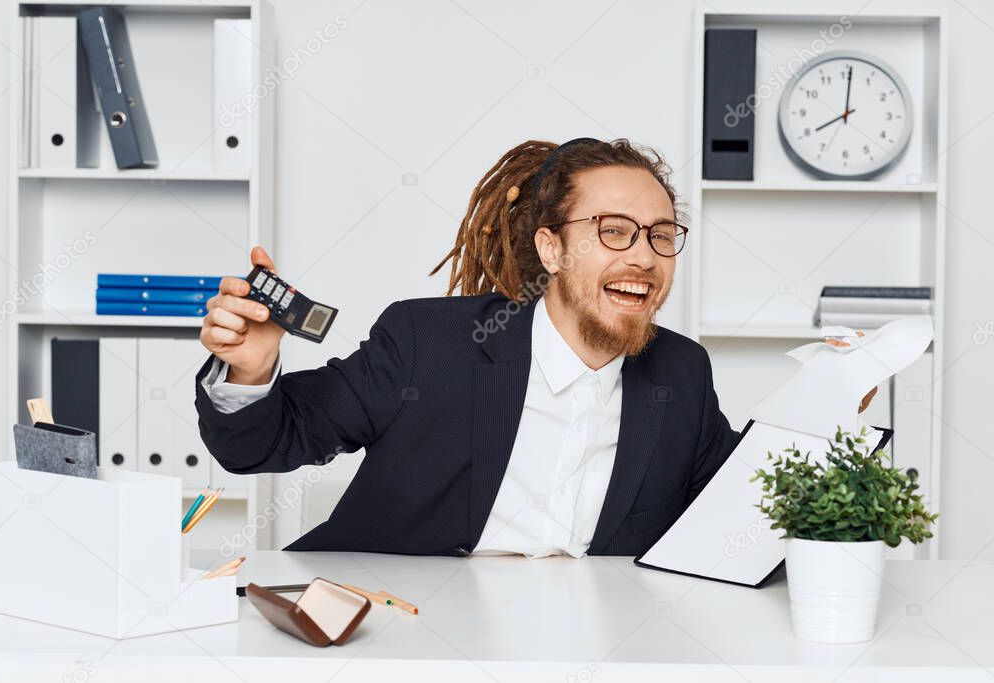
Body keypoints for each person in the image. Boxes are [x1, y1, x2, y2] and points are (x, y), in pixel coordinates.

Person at [196, 137, 875, 557]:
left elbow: (745, 517)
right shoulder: (427, 344)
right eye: (614, 230)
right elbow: (262, 443)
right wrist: (251, 371)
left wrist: (832, 413)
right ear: (550, 247)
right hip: (406, 644)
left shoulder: (682, 373)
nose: (643, 256)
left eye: (661, 234)